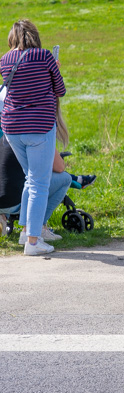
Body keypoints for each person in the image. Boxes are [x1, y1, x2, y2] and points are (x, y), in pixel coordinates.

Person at [0, 19, 66, 256]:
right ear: (34, 35)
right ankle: (33, 242)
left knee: (31, 178)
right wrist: (55, 68)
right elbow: (60, 89)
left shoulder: (5, 59)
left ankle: (25, 232)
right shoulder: (44, 56)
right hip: (38, 126)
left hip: (11, 128)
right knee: (39, 183)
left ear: (13, 38)